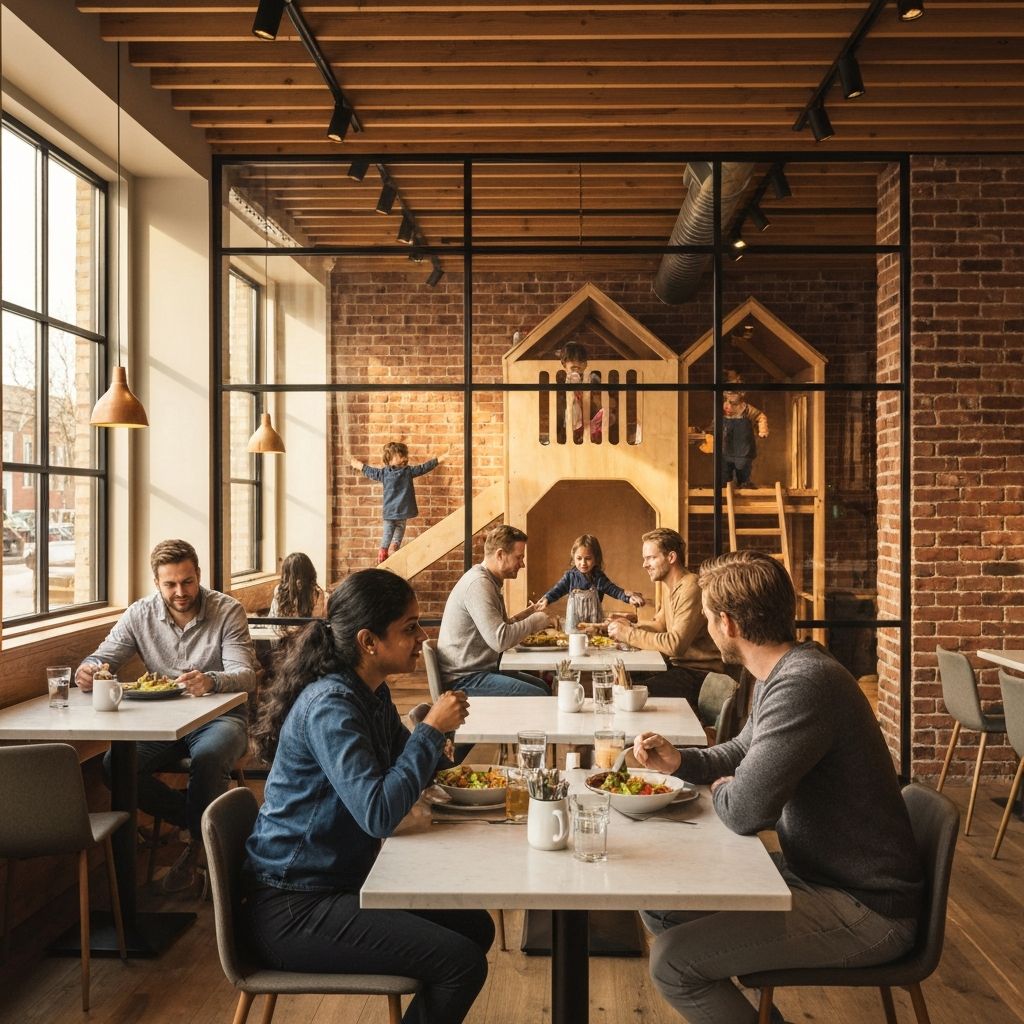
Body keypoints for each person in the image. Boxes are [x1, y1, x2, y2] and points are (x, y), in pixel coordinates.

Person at [633, 550, 923, 1024]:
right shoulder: (783, 671)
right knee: (662, 903)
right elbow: (740, 753)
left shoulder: (804, 683)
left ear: (728, 624)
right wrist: (682, 760)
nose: (706, 626)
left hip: (865, 907)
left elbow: (746, 810)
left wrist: (733, 786)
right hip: (814, 873)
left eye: (707, 616)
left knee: (673, 964)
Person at [243, 569, 493, 1024]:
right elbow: (378, 812)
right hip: (294, 904)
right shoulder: (332, 705)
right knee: (462, 963)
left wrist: (431, 734)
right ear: (368, 641)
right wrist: (430, 732)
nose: (423, 636)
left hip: (341, 881)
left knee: (476, 926)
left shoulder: (369, 694)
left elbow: (407, 767)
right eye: (409, 627)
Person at [76, 538, 258, 894]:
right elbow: (103, 657)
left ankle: (198, 849)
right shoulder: (139, 614)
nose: (180, 592)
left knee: (208, 758)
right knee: (116, 766)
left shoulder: (227, 610)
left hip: (222, 718)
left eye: (187, 582)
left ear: (199, 575)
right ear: (156, 582)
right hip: (160, 722)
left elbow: (246, 675)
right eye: (170, 584)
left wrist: (212, 680)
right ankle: (202, 828)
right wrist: (88, 669)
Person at [606, 528, 722, 706]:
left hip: (700, 674)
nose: (645, 564)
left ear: (671, 557)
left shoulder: (691, 586)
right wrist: (626, 626)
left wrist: (628, 634)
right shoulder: (672, 587)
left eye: (650, 558)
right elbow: (659, 625)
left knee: (629, 695)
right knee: (621, 679)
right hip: (679, 669)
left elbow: (675, 645)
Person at [436, 524, 551, 697]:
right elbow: (500, 640)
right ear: (500, 555)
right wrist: (536, 621)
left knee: (543, 687)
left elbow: (501, 627)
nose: (523, 564)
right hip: (464, 679)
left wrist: (528, 613)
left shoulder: (488, 581)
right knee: (539, 695)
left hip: (477, 672)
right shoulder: (478, 584)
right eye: (519, 557)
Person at [351, 442, 448, 563]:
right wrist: (359, 465)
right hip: (396, 513)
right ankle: (385, 551)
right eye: (399, 455)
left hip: (397, 513)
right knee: (391, 534)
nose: (402, 457)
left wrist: (439, 459)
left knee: (395, 533)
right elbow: (371, 471)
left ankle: (390, 550)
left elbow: (423, 468)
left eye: (403, 455)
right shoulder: (393, 472)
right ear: (389, 459)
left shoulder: (401, 472)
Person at [536, 533, 645, 624]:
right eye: (579, 558)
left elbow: (614, 591)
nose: (583, 563)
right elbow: (557, 590)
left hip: (594, 624)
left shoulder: (598, 578)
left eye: (588, 559)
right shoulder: (570, 576)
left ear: (596, 558)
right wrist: (546, 599)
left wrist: (629, 598)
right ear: (573, 557)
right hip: (574, 623)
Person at [268, 551, 326, 639]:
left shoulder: (317, 593)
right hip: (282, 637)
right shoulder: (280, 590)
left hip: (307, 639)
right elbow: (275, 624)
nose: (299, 581)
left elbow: (314, 625)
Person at [719, 389, 768, 489]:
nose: (730, 397)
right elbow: (715, 423)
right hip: (726, 446)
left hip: (743, 446)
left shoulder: (746, 409)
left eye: (733, 394)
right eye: (728, 394)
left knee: (743, 468)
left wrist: (763, 430)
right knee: (724, 470)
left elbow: (761, 417)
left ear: (740, 394)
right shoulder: (723, 407)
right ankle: (724, 488)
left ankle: (744, 484)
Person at [560, 342, 605, 443]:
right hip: (574, 418)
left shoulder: (590, 378)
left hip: (590, 415)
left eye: (580, 361)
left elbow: (598, 400)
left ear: (585, 364)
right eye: (572, 360)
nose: (577, 364)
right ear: (564, 364)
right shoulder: (564, 379)